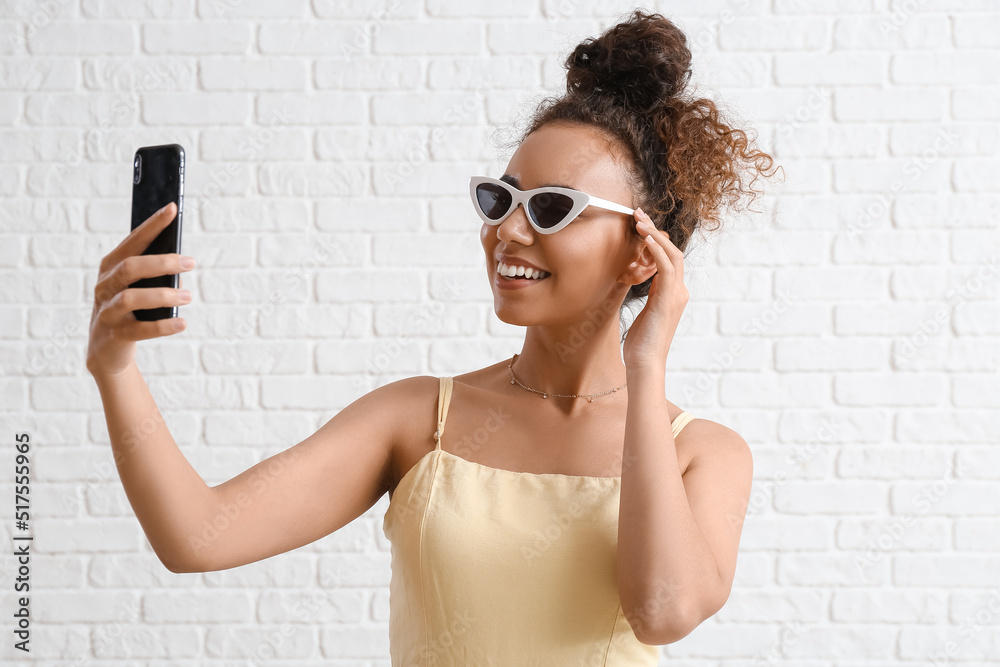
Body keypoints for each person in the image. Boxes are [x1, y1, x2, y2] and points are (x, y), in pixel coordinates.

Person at [86, 9, 778, 665]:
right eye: (500, 199)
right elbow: (196, 536)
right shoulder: (418, 419)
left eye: (550, 207)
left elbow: (662, 609)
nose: (507, 230)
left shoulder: (702, 452)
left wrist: (646, 365)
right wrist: (116, 371)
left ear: (641, 252)